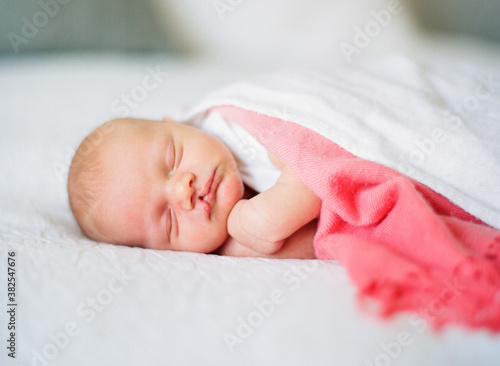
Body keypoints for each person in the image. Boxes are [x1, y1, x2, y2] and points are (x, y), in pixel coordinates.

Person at [67, 115, 320, 259]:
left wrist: (265, 218)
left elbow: (317, 160)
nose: (183, 192)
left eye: (172, 158)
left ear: (177, 123)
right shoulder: (230, 244)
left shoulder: (237, 125)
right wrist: (241, 241)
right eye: (169, 221)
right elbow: (322, 240)